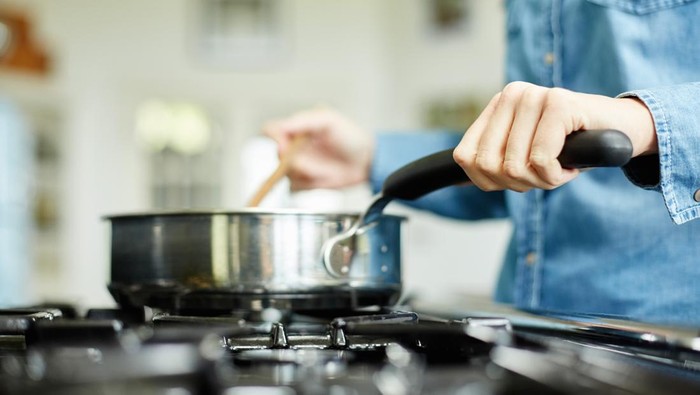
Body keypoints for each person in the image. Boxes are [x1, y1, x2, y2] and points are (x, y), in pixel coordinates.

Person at [264, 0, 700, 327]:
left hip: (669, 342)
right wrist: (372, 156)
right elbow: (523, 165)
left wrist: (643, 121)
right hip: (527, 329)